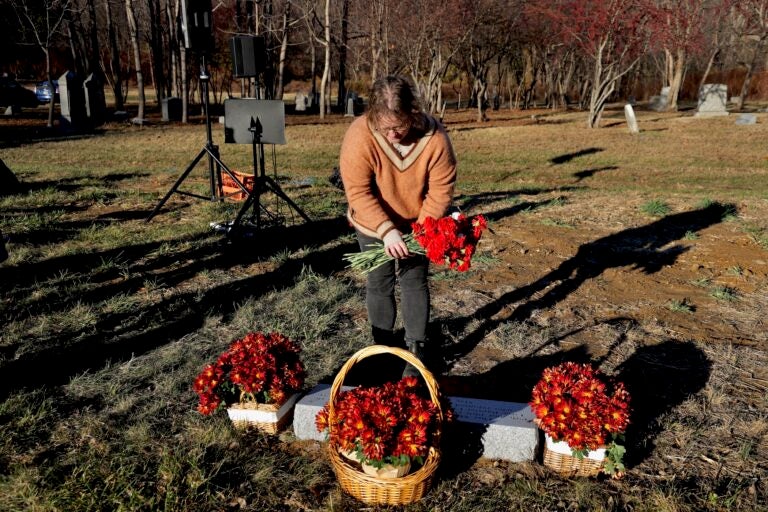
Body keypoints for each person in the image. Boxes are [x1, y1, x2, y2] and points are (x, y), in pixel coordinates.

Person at [339, 75, 457, 374]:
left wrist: (421, 231)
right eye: (384, 127)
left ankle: (416, 350)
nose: (392, 134)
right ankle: (382, 347)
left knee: (414, 280)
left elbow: (441, 188)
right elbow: (358, 191)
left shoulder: (435, 138)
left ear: (412, 113)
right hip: (373, 223)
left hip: (418, 224)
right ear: (372, 116)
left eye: (399, 126)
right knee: (380, 282)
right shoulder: (360, 134)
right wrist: (386, 230)